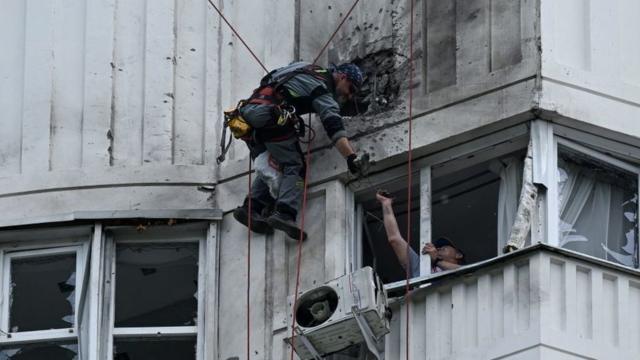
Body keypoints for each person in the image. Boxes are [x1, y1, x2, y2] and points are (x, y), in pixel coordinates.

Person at [233, 62, 368, 240]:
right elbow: (333, 126)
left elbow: (270, 77)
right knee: (295, 166)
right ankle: (285, 213)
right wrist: (350, 157)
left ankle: (251, 208)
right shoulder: (323, 89)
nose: (349, 96)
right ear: (342, 77)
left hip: (247, 114)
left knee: (277, 161)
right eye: (351, 89)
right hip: (269, 115)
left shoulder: (305, 67)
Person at [375, 191, 465, 277]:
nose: (438, 248)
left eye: (445, 245)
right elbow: (394, 239)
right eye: (437, 247)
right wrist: (386, 204)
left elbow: (463, 271)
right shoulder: (422, 269)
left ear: (458, 254)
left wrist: (437, 260)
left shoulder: (468, 277)